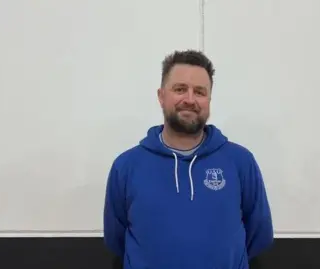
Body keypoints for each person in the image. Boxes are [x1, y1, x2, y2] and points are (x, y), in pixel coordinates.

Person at [103, 49, 274, 269]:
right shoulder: (126, 167)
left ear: (209, 100)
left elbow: (259, 234)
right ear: (161, 96)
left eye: (200, 92)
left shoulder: (240, 162)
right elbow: (116, 239)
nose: (190, 99)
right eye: (180, 89)